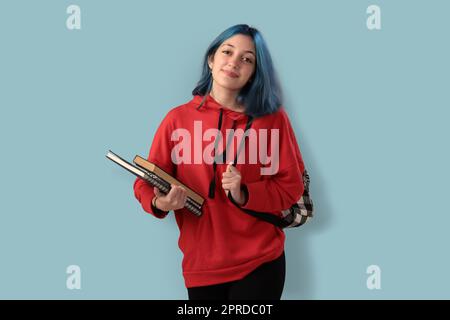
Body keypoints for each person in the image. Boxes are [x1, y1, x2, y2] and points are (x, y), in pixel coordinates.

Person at [133, 24, 306, 300]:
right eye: (227, 51)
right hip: (201, 266)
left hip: (261, 262)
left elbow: (291, 186)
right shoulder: (176, 120)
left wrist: (244, 191)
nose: (235, 62)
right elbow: (145, 182)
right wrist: (160, 202)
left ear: (253, 74)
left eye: (247, 59)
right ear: (211, 59)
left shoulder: (273, 120)